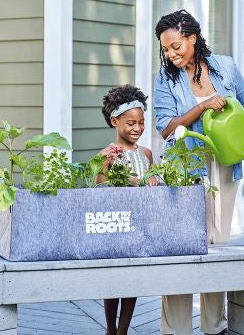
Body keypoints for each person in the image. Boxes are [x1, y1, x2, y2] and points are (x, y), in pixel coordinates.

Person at [153, 10, 244, 335]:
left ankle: (215, 326)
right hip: (186, 167)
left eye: (176, 46)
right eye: (166, 49)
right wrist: (202, 106)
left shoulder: (225, 66)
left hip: (224, 166)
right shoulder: (166, 79)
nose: (171, 54)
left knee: (217, 244)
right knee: (182, 245)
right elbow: (166, 128)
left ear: (192, 37)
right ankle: (176, 329)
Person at [95, 84, 158, 335]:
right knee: (113, 280)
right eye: (131, 123)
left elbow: (152, 176)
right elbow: (99, 184)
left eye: (141, 123)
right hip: (116, 224)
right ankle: (110, 329)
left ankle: (123, 331)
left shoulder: (146, 153)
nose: (137, 129)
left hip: (141, 225)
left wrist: (152, 178)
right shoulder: (107, 154)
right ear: (115, 121)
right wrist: (133, 181)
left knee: (133, 279)